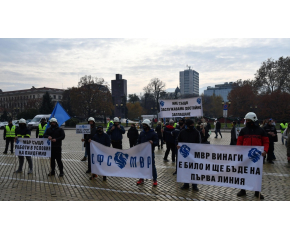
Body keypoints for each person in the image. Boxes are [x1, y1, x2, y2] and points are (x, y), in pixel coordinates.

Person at [236, 112, 269, 199]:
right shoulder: (243, 131)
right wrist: (239, 151)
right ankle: (243, 190)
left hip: (257, 158)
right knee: (244, 173)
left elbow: (266, 142)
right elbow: (239, 142)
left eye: (248, 120)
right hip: (245, 158)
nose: (246, 121)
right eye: (246, 120)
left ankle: (257, 191)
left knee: (257, 174)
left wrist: (265, 151)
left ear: (252, 120)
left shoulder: (261, 131)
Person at [177, 119, 201, 191]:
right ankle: (186, 184)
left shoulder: (196, 132)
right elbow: (177, 140)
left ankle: (194, 185)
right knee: (185, 170)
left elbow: (199, 143)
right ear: (188, 125)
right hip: (184, 155)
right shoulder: (182, 132)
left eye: (193, 125)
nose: (193, 126)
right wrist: (177, 145)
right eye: (191, 125)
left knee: (194, 170)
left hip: (193, 155)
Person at [136, 119, 158, 186]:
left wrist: (153, 143)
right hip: (142, 153)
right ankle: (141, 178)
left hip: (150, 153)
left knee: (152, 166)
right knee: (142, 166)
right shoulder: (142, 133)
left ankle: (155, 180)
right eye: (143, 125)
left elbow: (157, 143)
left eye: (145, 125)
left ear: (148, 125)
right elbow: (138, 141)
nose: (143, 126)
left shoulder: (153, 134)